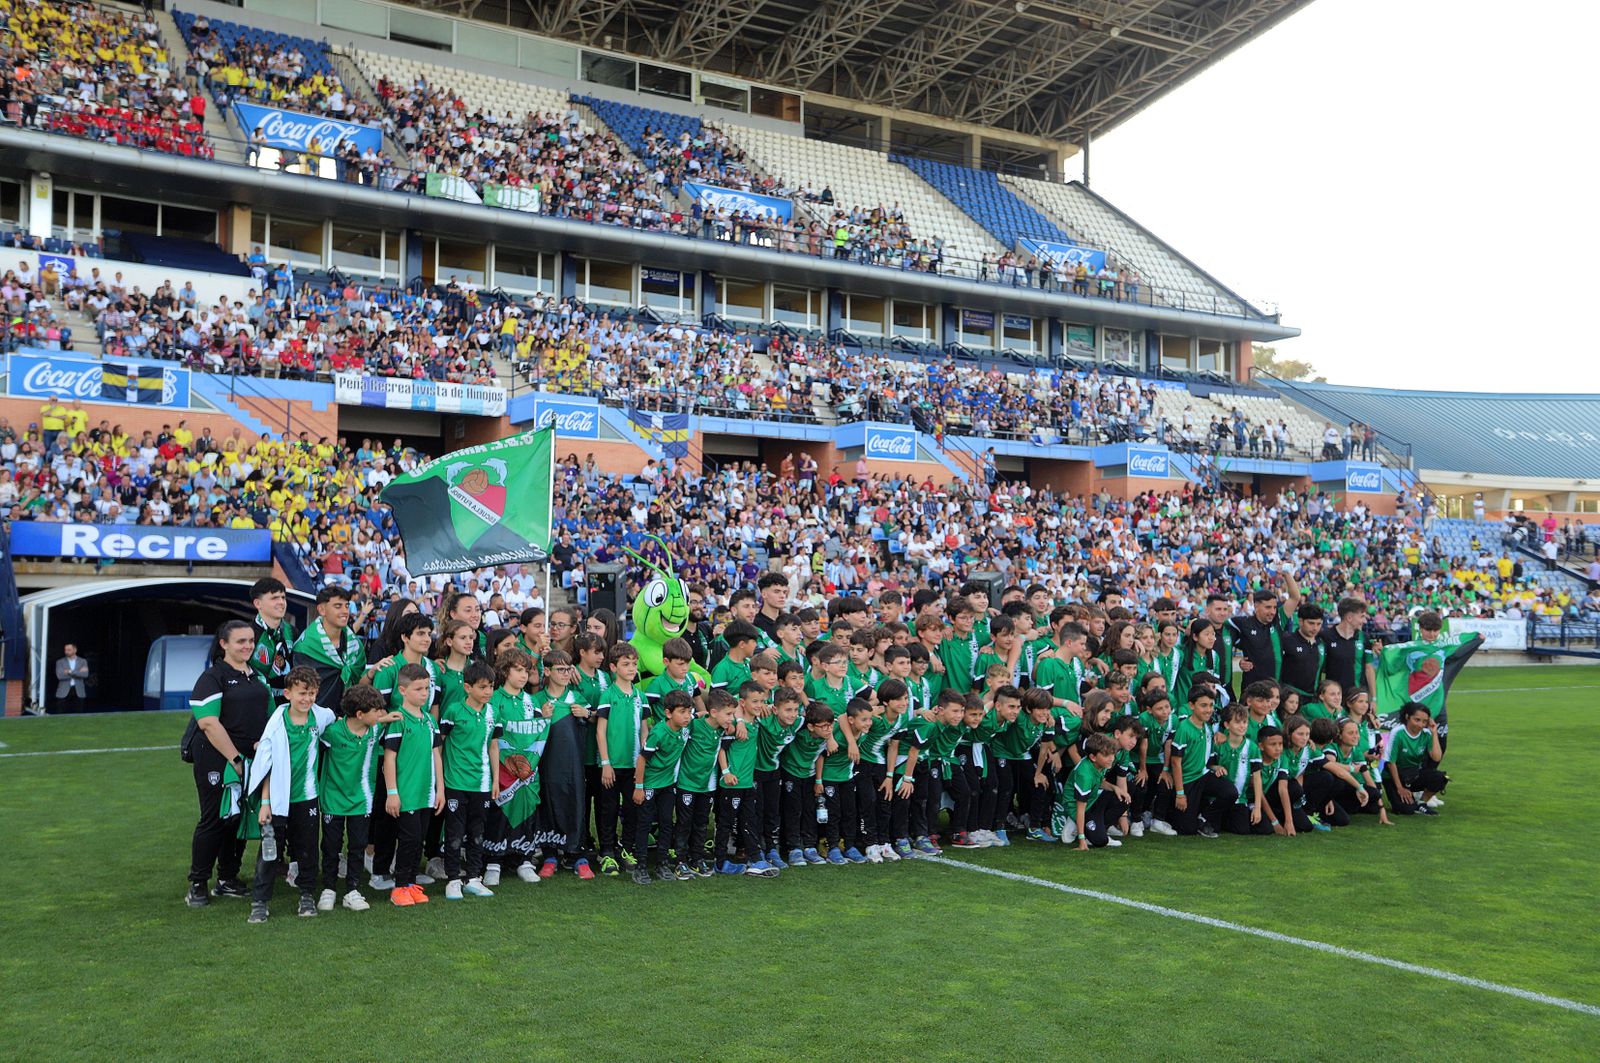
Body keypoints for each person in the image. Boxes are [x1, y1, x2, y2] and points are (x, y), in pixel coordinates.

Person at [186, 620, 273, 908]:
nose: (247, 646)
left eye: (250, 641)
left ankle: (227, 878)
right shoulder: (212, 677)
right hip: (217, 758)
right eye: (240, 641)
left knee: (237, 818)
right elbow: (208, 723)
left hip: (250, 759)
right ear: (224, 644)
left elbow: (271, 718)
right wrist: (234, 758)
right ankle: (198, 883)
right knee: (214, 819)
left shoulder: (257, 676)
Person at [244, 667, 336, 923]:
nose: (307, 699)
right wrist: (265, 802)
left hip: (307, 797)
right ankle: (260, 901)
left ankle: (307, 895)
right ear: (287, 693)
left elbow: (341, 720)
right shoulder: (277, 722)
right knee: (270, 850)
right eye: (302, 694)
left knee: (307, 848)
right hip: (277, 799)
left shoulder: (320, 716)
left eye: (312, 694)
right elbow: (267, 764)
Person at [316, 684, 398, 913]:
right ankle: (329, 889)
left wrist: (385, 718)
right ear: (360, 714)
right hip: (332, 798)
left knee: (357, 846)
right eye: (377, 711)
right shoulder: (331, 732)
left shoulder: (374, 730)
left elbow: (380, 722)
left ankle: (352, 890)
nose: (381, 714)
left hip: (362, 800)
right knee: (331, 846)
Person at [378, 663, 446, 907]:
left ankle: (409, 883)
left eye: (427, 688)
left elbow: (436, 754)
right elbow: (389, 758)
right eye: (418, 689)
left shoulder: (429, 720)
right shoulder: (397, 719)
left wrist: (440, 789)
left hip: (426, 793)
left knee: (419, 840)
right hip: (406, 793)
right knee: (409, 839)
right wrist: (392, 793)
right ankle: (399, 887)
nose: (424, 693)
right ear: (403, 690)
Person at [438, 661, 502, 900]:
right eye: (483, 687)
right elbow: (440, 746)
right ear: (467, 687)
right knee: (454, 833)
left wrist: (495, 780)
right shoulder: (453, 711)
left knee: (477, 833)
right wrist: (440, 782)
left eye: (491, 687)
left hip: (482, 784)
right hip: (455, 783)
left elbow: (494, 746)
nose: (488, 692)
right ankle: (453, 879)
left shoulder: (493, 712)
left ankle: (474, 878)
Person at [630, 690, 694, 884]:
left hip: (668, 784)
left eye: (689, 711)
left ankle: (662, 864)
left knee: (667, 823)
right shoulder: (658, 733)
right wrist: (639, 787)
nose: (686, 716)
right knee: (645, 823)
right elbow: (642, 759)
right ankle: (641, 866)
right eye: (682, 712)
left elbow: (705, 717)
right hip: (649, 783)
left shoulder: (686, 728)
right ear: (668, 713)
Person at [294, 586, 366, 711]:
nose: (345, 611)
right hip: (316, 721)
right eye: (338, 606)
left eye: (347, 606)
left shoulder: (355, 644)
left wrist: (370, 674)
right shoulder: (306, 647)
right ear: (322, 610)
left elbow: (359, 680)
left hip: (348, 720)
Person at [1384, 702, 1448, 816]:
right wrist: (1400, 788)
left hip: (1413, 774)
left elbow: (1436, 757)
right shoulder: (1398, 733)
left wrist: (1434, 733)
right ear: (1407, 717)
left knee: (1441, 778)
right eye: (1417, 720)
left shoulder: (1427, 734)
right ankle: (1400, 799)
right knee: (1405, 810)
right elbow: (1390, 763)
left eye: (1424, 721)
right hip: (1394, 775)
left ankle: (1421, 803)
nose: (1420, 725)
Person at [248, 577, 297, 698]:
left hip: (287, 702)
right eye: (274, 598)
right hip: (256, 700)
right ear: (258, 603)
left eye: (283, 597)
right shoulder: (247, 633)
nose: (281, 602)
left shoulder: (291, 632)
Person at [53, 643, 89, 711]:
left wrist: (70, 672)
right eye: (65, 650)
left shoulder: (82, 661)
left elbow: (85, 674)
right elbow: (60, 676)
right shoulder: (60, 662)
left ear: (75, 650)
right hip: (63, 691)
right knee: (61, 714)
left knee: (78, 714)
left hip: (78, 691)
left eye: (69, 650)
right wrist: (78, 672)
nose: (66, 652)